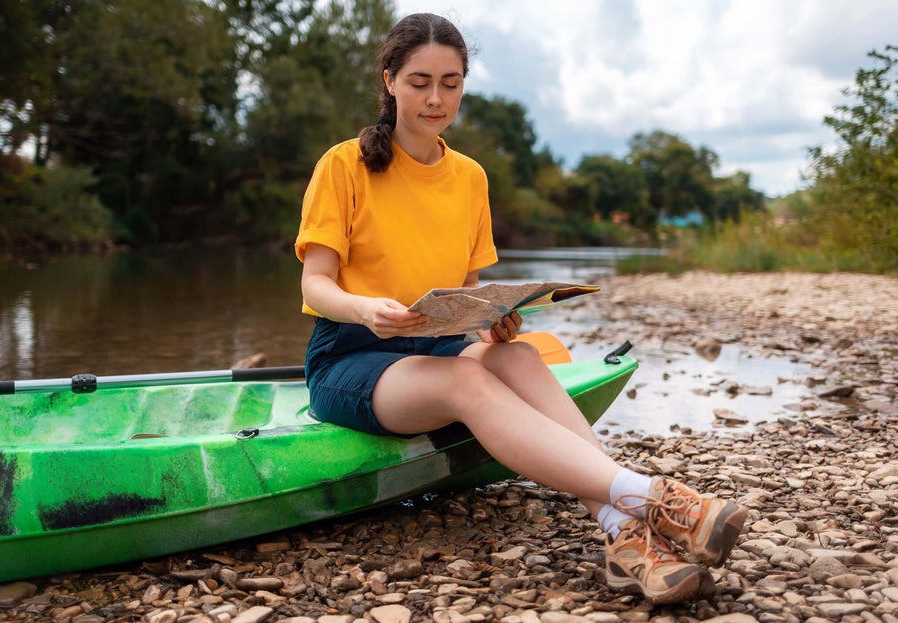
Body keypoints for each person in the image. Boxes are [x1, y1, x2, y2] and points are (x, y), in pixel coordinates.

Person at [295, 13, 748, 605]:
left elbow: (467, 293)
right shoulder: (344, 165)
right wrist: (363, 309)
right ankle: (650, 497)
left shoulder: (470, 178)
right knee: (466, 379)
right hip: (351, 356)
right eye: (419, 81)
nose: (436, 98)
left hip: (434, 344)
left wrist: (495, 321)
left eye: (451, 83)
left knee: (523, 358)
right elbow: (316, 284)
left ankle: (621, 536)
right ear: (390, 81)